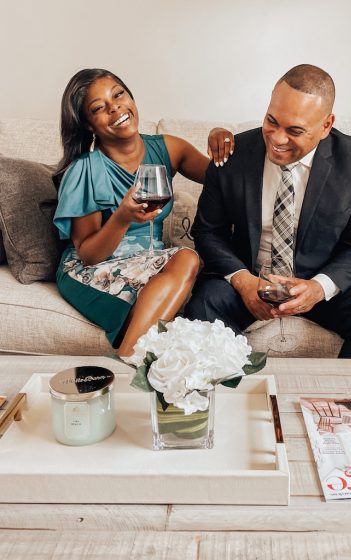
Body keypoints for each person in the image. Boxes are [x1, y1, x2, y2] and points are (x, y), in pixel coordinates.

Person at [185, 64, 351, 359]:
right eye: (271, 121)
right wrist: (244, 281)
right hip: (250, 277)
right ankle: (226, 399)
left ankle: (346, 402)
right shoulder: (232, 153)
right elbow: (208, 231)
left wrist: (318, 288)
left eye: (295, 130)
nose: (276, 139)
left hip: (318, 278)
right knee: (203, 306)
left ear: (326, 125)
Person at [53, 68, 235, 357]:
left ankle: (129, 365)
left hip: (149, 262)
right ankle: (128, 363)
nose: (115, 108)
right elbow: (87, 254)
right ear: (89, 124)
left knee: (189, 265)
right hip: (91, 269)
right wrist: (123, 217)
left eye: (119, 94)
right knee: (187, 259)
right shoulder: (84, 170)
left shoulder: (169, 149)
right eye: (99, 108)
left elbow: (225, 177)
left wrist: (220, 140)